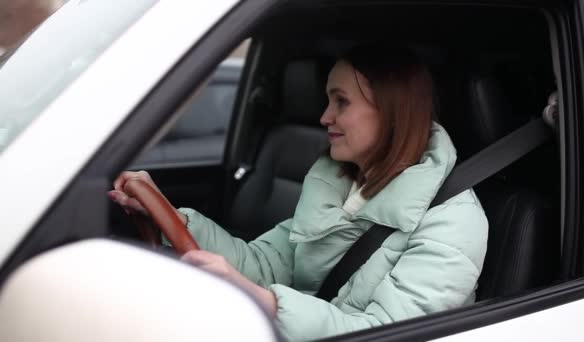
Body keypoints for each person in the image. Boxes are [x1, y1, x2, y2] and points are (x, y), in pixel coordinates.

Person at [109, 45, 488, 341]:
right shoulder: (343, 185)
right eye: (327, 100)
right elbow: (263, 264)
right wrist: (171, 218)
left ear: (390, 112)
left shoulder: (454, 223)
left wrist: (269, 304)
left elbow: (385, 332)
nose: (324, 116)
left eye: (341, 101)